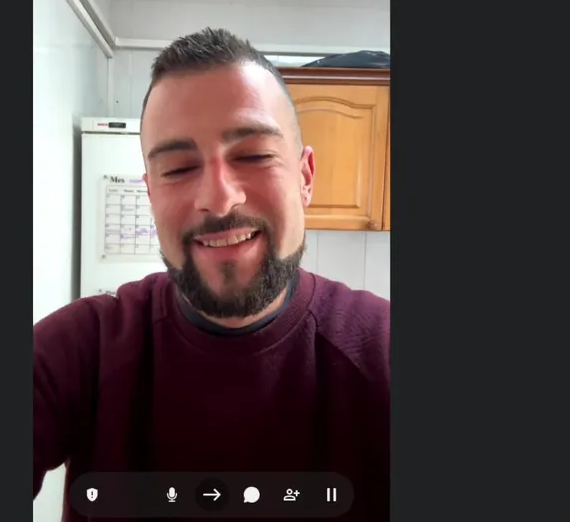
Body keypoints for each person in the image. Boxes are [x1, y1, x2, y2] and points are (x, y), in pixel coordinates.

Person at [33, 28, 391, 520]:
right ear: (151, 194)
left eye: (254, 156)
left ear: (305, 177)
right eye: (179, 168)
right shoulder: (80, 350)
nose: (219, 200)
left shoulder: (382, 352)